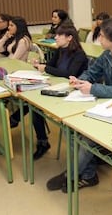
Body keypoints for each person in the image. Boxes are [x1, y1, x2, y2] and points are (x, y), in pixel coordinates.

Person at [46, 19, 112, 192]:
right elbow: (91, 72)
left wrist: (94, 88)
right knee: (71, 129)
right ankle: (88, 175)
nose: (99, 38)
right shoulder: (107, 55)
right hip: (110, 104)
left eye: (102, 36)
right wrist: (80, 80)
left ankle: (71, 174)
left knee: (86, 138)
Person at [9, 24, 89, 160]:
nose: (55, 37)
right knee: (34, 105)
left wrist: (45, 68)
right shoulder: (60, 50)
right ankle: (42, 142)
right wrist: (40, 64)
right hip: (57, 86)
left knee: (35, 104)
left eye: (59, 35)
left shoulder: (79, 55)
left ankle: (16, 118)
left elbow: (69, 73)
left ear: (69, 38)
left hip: (72, 93)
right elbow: (50, 65)